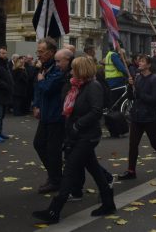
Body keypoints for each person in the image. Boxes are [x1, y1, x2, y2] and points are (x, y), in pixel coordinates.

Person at [32, 57, 116, 224]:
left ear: (81, 70)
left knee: (69, 170)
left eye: (74, 69)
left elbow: (96, 111)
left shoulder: (93, 86)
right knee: (94, 169)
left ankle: (54, 210)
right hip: (77, 135)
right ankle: (108, 202)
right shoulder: (77, 86)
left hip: (87, 136)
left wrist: (78, 125)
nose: (70, 72)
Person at [117, 55, 156, 180]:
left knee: (155, 143)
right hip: (137, 116)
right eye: (139, 61)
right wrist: (130, 87)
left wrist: (139, 92)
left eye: (142, 61)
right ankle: (131, 170)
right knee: (133, 144)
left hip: (150, 117)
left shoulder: (155, 79)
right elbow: (133, 97)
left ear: (149, 65)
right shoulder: (137, 78)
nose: (139, 63)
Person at [33, 39, 69, 194]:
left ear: (51, 52)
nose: (38, 54)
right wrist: (36, 105)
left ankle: (56, 179)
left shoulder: (57, 69)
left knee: (53, 149)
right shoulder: (45, 67)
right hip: (45, 114)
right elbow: (39, 90)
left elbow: (47, 88)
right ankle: (55, 174)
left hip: (56, 115)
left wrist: (41, 81)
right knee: (39, 144)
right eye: (38, 51)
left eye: (41, 51)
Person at [102, 46, 129, 111]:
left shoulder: (109, 54)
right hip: (116, 80)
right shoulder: (114, 55)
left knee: (114, 99)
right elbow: (121, 68)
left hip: (110, 80)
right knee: (118, 99)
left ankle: (111, 111)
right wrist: (129, 75)